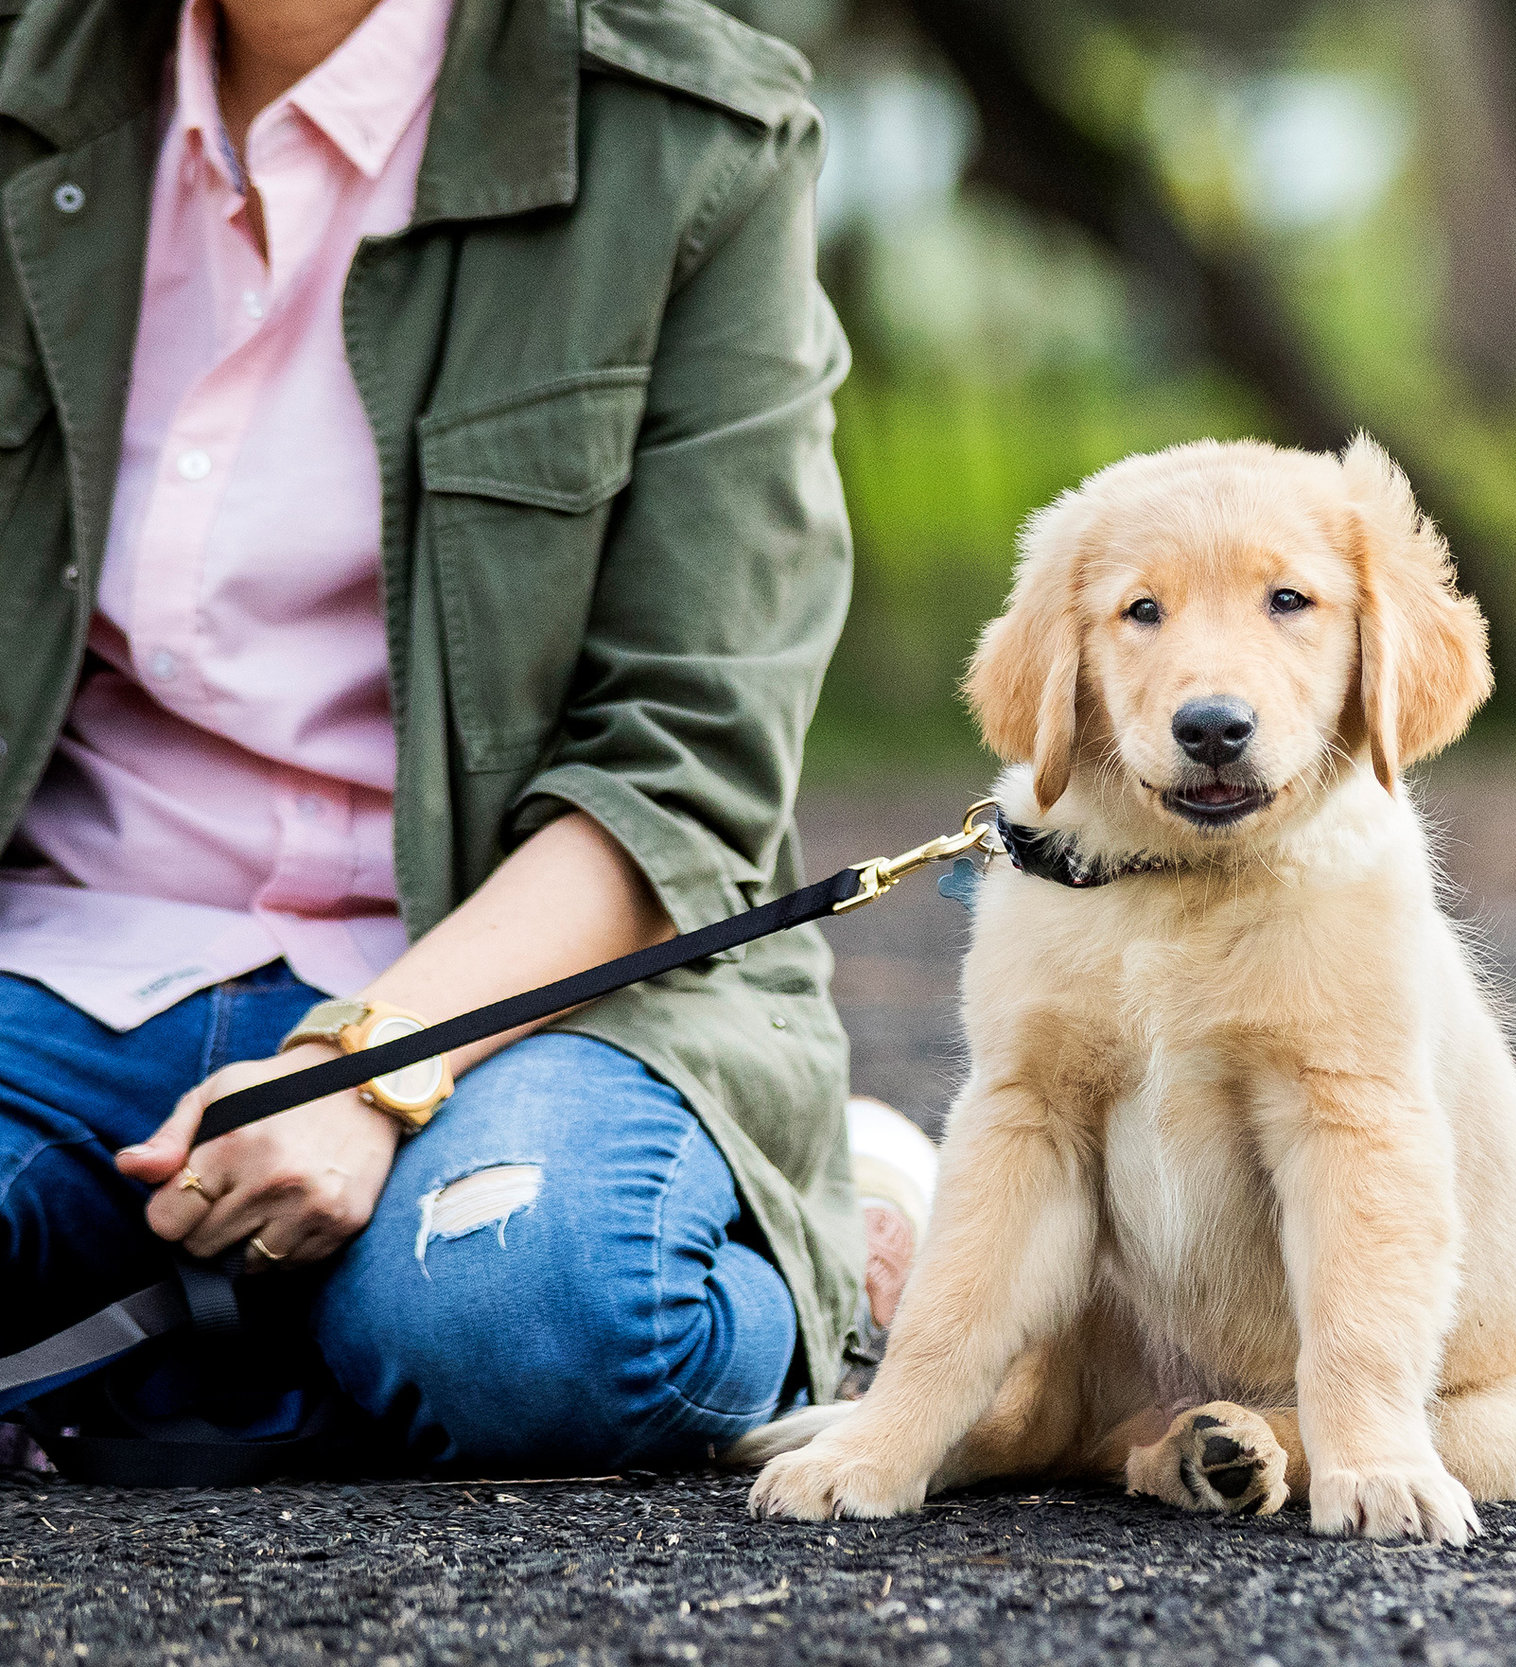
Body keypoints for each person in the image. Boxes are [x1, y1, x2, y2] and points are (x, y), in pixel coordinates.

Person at [0, 0, 930, 1472]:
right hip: (63, 954)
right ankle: (229, 1348)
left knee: (539, 1319)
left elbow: (682, 765)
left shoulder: (691, 138)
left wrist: (367, 1070)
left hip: (533, 983)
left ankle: (839, 1220)